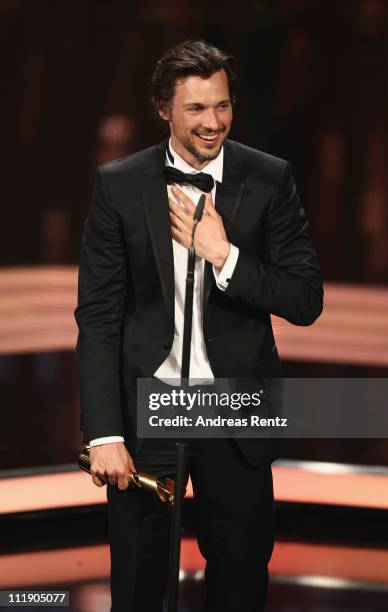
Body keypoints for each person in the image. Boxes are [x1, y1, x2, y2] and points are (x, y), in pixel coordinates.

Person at [74, 40, 323, 612]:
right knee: (137, 587)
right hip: (150, 408)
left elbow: (305, 299)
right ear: (163, 108)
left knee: (240, 584)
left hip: (235, 410)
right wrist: (105, 432)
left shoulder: (269, 178)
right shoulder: (120, 183)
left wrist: (226, 257)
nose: (214, 123)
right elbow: (99, 315)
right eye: (196, 109)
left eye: (223, 106)